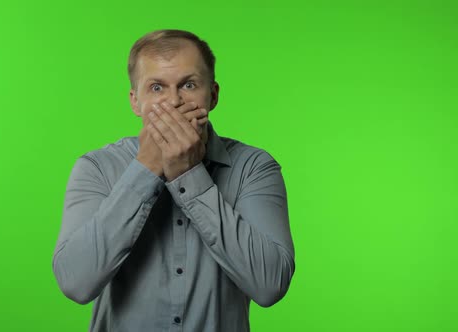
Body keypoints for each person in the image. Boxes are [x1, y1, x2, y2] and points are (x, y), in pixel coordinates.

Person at [52, 29, 295, 332]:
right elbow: (76, 282)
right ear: (135, 101)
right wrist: (146, 169)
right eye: (156, 88)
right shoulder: (97, 168)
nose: (173, 102)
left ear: (214, 95)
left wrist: (189, 175)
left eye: (189, 85)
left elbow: (270, 285)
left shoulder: (253, 168)